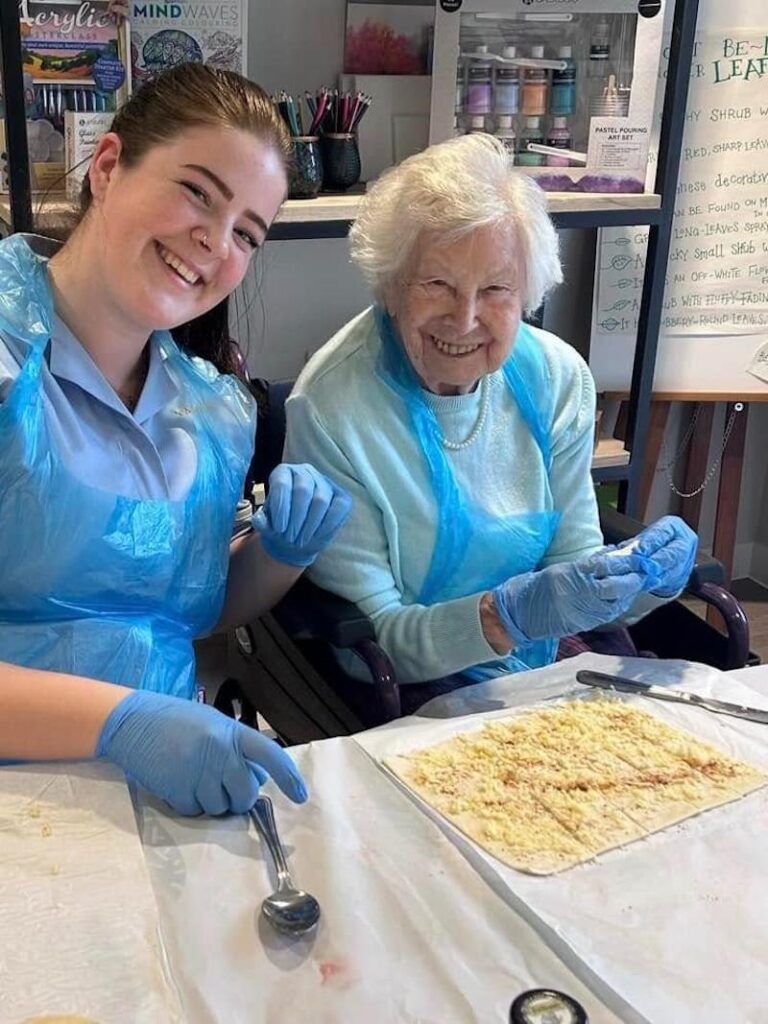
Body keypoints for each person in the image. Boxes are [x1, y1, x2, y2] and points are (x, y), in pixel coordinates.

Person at [0, 64, 350, 815]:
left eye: (247, 234)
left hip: (161, 800)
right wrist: (116, 723)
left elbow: (189, 609)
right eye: (198, 192)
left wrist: (282, 553)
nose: (214, 243)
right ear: (108, 166)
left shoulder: (213, 415)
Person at [284, 134, 697, 716]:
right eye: (438, 284)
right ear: (392, 284)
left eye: (497, 289)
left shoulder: (556, 378)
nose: (466, 318)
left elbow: (571, 567)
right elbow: (369, 640)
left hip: (549, 659)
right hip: (411, 683)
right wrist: (503, 617)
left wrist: (642, 579)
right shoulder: (331, 408)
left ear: (526, 292)